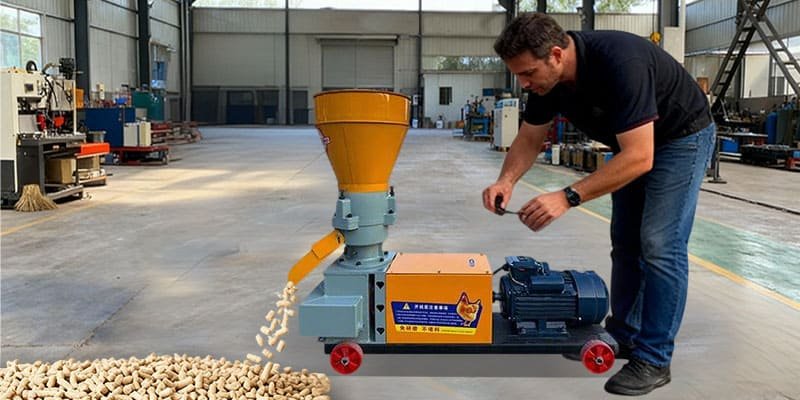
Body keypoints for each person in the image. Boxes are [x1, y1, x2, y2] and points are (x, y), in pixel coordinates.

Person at [483, 13, 715, 396]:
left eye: (527, 73)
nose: (523, 83)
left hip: (680, 138)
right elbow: (530, 137)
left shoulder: (620, 63)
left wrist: (567, 196)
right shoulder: (547, 82)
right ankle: (623, 335)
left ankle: (654, 358)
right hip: (633, 145)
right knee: (625, 242)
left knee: (660, 244)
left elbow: (641, 157)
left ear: (556, 55)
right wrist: (505, 181)